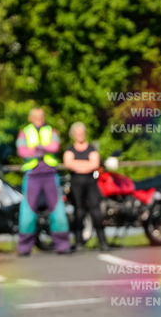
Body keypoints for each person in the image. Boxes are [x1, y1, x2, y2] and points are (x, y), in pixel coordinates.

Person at [16, 107, 70, 255]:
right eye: (36, 116)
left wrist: (36, 148)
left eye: (41, 116)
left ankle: (62, 245)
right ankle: (24, 247)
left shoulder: (51, 130)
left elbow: (55, 147)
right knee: (27, 211)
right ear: (30, 118)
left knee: (57, 209)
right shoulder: (24, 132)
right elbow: (22, 151)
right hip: (32, 174)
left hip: (50, 174)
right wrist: (42, 149)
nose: (39, 118)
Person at [63, 122, 108, 251]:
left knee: (96, 210)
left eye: (82, 133)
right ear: (73, 135)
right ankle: (78, 242)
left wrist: (79, 165)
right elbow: (69, 164)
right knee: (79, 211)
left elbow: (95, 164)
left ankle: (102, 241)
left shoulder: (91, 148)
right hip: (76, 183)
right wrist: (86, 164)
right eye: (78, 133)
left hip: (90, 182)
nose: (80, 136)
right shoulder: (70, 149)